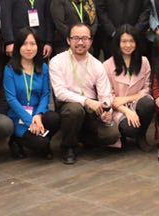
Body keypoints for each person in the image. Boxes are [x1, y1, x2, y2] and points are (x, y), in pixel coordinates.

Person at [50, 23, 119, 165]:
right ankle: (68, 147)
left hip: (92, 109)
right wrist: (86, 101)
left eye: (85, 38)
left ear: (91, 41)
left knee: (111, 135)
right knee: (74, 110)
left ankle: (81, 136)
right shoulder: (57, 61)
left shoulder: (96, 64)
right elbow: (60, 92)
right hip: (68, 106)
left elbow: (105, 94)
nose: (80, 42)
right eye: (76, 38)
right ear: (68, 40)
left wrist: (107, 110)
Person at [3, 28, 61, 159]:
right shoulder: (10, 69)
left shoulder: (43, 67)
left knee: (54, 118)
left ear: (38, 46)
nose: (29, 48)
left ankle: (39, 138)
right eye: (24, 44)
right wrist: (30, 121)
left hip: (37, 114)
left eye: (32, 44)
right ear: (18, 46)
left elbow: (45, 94)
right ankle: (16, 140)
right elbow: (11, 99)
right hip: (19, 117)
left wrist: (38, 116)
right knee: (42, 145)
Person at [104, 25, 155, 150]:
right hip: (118, 109)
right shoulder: (107, 65)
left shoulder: (144, 62)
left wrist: (127, 99)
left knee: (148, 104)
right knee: (130, 128)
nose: (128, 45)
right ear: (118, 43)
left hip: (136, 103)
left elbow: (147, 89)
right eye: (124, 41)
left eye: (131, 41)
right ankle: (123, 134)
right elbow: (108, 96)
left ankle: (141, 136)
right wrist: (126, 111)